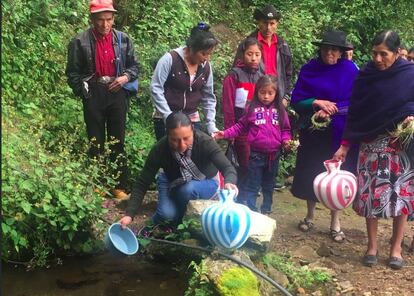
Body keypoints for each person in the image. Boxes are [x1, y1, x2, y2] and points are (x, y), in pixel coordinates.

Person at [333, 30, 414, 269]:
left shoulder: (410, 75)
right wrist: (344, 146)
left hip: (401, 147)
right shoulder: (366, 76)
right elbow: (356, 113)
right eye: (374, 53)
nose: (377, 59)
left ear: (398, 52)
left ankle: (396, 248)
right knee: (370, 196)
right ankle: (372, 246)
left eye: (384, 54)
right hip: (371, 145)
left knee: (402, 198)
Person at [290, 30, 359, 242]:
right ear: (320, 49)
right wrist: (316, 103)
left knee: (337, 175)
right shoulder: (309, 69)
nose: (330, 52)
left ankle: (335, 222)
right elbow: (296, 100)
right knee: (312, 169)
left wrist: (333, 108)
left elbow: (357, 100)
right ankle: (310, 215)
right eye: (327, 48)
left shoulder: (350, 70)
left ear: (341, 52)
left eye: (335, 49)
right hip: (314, 131)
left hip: (340, 131)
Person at [66, 0, 138, 200]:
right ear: (92, 19)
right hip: (94, 93)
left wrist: (125, 78)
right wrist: (84, 93)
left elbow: (134, 67)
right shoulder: (79, 42)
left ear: (113, 19)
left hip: (117, 92)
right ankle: (97, 184)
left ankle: (118, 186)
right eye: (100, 20)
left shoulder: (123, 40)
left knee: (118, 140)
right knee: (95, 140)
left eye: (108, 19)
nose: (105, 24)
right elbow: (72, 73)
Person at [119, 112, 238, 228]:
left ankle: (180, 220)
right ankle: (153, 225)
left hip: (206, 181)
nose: (182, 145)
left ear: (193, 131)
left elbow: (227, 168)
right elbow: (142, 182)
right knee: (166, 215)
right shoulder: (160, 149)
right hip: (171, 180)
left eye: (186, 138)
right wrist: (129, 214)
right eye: (175, 140)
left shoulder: (205, 142)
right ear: (167, 135)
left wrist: (229, 181)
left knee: (187, 190)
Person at [214, 75, 291, 214]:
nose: (266, 96)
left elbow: (285, 130)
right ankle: (251, 210)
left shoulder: (280, 111)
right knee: (253, 184)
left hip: (274, 155)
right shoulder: (251, 109)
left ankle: (266, 209)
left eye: (270, 93)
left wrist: (286, 141)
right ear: (257, 92)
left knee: (269, 185)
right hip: (256, 154)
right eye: (262, 92)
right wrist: (224, 134)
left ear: (276, 94)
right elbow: (239, 127)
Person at [150, 23, 219, 140]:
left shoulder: (206, 67)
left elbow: (208, 96)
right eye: (203, 53)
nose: (206, 58)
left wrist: (211, 125)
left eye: (209, 54)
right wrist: (168, 116)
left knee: (191, 156)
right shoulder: (170, 59)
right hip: (166, 119)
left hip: (191, 119)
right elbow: (156, 88)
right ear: (191, 48)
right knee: (168, 156)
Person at [221, 37, 263, 195]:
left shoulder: (261, 75)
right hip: (240, 128)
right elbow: (228, 104)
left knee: (256, 162)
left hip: (258, 127)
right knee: (244, 162)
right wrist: (230, 129)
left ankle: (249, 193)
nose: (254, 58)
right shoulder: (234, 76)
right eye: (250, 54)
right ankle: (240, 195)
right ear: (242, 55)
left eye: (257, 54)